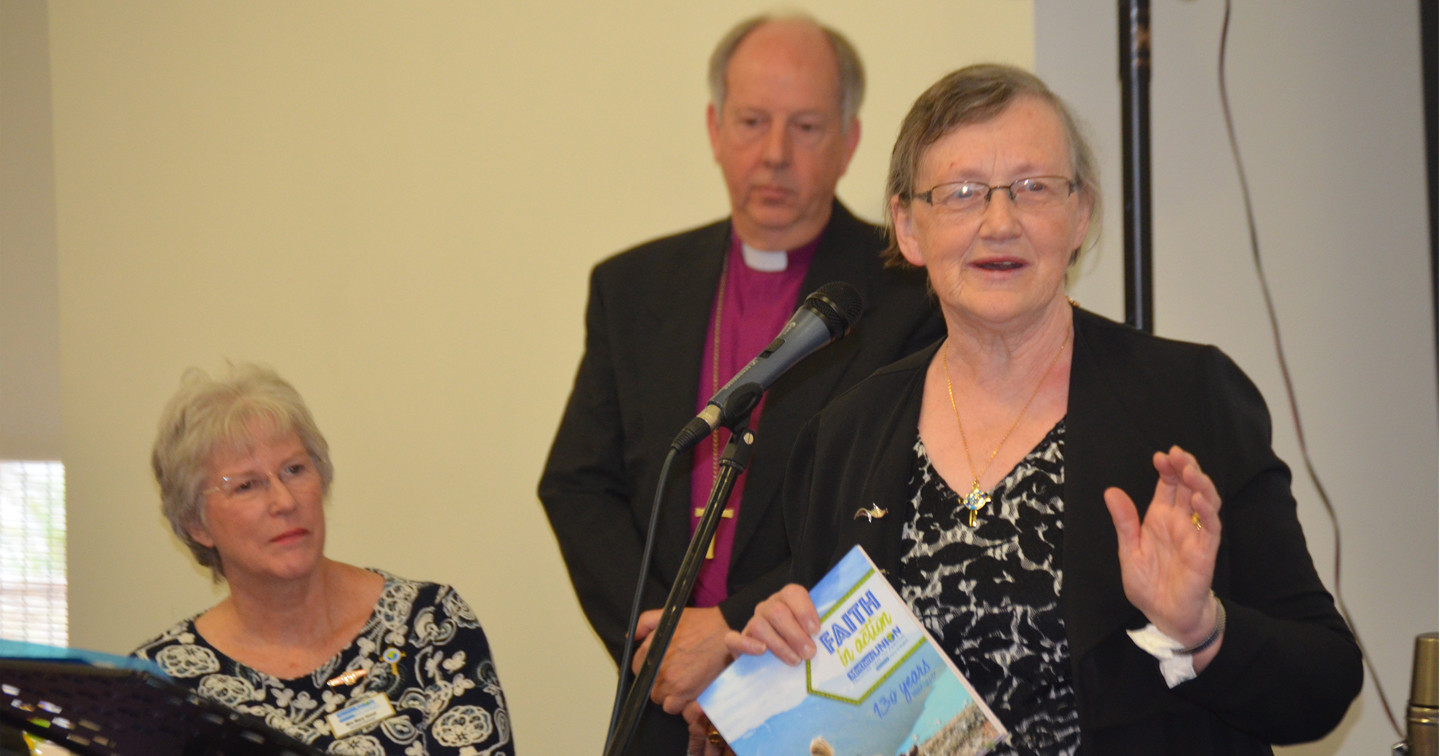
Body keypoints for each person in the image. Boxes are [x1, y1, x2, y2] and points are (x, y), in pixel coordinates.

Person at [695, 64, 1362, 755]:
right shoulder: (845, 433)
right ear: (908, 227)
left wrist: (1202, 631)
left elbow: (1324, 681)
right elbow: (850, 713)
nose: (1000, 222)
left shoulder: (1189, 397)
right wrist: (783, 674)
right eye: (960, 194)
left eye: (1033, 188)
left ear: (1080, 214)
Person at [537, 13, 943, 753]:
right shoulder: (632, 289)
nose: (775, 154)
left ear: (850, 141)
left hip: (815, 694)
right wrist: (665, 648)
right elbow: (577, 484)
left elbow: (895, 510)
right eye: (752, 121)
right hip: (663, 708)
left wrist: (727, 634)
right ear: (714, 128)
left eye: (808, 126)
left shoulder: (905, 300)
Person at [133, 364, 513, 756]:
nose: (284, 501)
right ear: (197, 523)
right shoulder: (162, 681)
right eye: (247, 485)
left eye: (294, 470)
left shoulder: (430, 626)